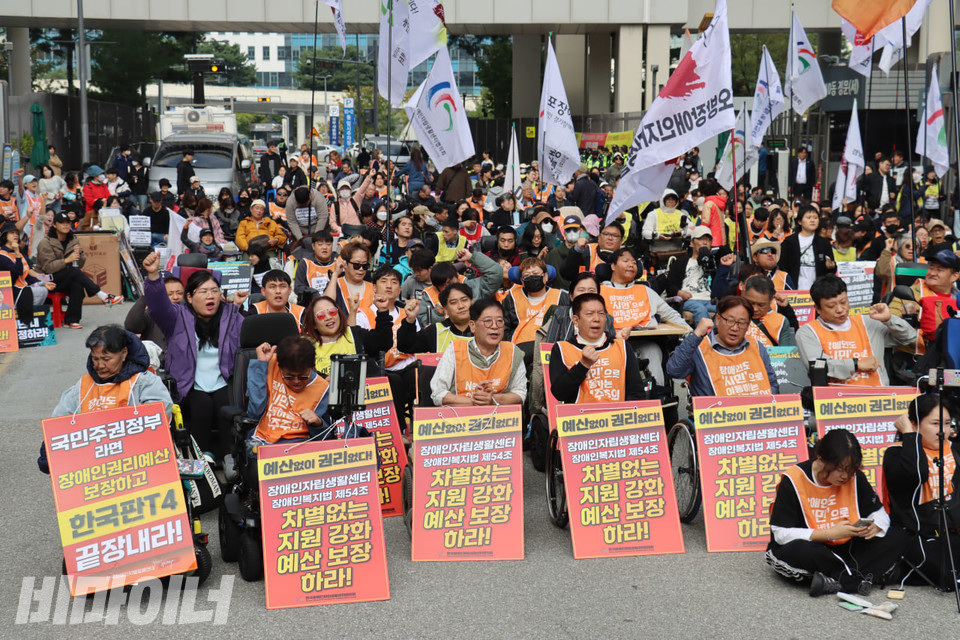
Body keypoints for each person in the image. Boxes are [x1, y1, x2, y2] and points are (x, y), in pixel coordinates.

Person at [765, 429, 904, 597]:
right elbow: (780, 533)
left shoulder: (855, 477)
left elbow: (878, 512)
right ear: (821, 458)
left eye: (850, 469)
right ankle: (861, 577)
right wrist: (828, 534)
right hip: (815, 547)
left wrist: (875, 526)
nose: (845, 476)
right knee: (798, 551)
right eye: (839, 469)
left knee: (898, 535)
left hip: (847, 546)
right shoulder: (794, 479)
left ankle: (836, 580)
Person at [141, 251, 247, 460]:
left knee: (226, 404)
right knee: (202, 405)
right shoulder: (177, 317)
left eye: (214, 291)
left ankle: (231, 457)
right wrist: (153, 277)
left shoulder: (232, 316)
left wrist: (239, 308)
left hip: (223, 380)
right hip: (189, 383)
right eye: (203, 291)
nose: (210, 296)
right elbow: (158, 307)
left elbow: (247, 341)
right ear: (189, 297)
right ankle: (203, 456)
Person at [37, 325, 173, 473]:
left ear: (124, 354)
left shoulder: (143, 382)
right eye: (95, 359)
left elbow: (159, 415)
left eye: (106, 359)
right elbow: (59, 422)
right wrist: (49, 451)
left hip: (138, 463)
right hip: (94, 468)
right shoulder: (84, 385)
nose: (100, 365)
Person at [884, 394, 960, 587]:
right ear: (915, 424)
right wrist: (910, 436)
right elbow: (916, 473)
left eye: (947, 424)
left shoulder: (955, 450)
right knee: (946, 571)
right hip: (919, 535)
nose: (942, 431)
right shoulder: (896, 453)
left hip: (953, 528)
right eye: (935, 424)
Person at [796, 275, 916, 386]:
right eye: (831, 306)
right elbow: (817, 366)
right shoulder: (808, 332)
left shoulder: (867, 322)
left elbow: (909, 337)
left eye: (843, 302)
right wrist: (856, 364)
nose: (840, 309)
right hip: (834, 398)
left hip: (878, 395)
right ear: (817, 308)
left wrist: (889, 320)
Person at [665, 295, 779, 396]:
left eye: (742, 323)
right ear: (718, 319)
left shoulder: (756, 346)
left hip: (756, 411)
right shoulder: (699, 346)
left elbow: (772, 384)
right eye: (730, 321)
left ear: (748, 324)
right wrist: (696, 335)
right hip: (714, 412)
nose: (735, 328)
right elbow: (674, 370)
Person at [549, 293, 646, 403]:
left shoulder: (622, 347)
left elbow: (636, 392)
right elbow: (559, 393)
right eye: (589, 314)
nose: (597, 319)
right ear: (576, 320)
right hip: (580, 414)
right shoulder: (562, 349)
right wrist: (583, 365)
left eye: (601, 314)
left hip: (617, 413)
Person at [430, 298, 528, 406]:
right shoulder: (455, 349)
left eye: (499, 321)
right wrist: (475, 402)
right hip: (460, 415)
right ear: (472, 326)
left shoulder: (512, 352)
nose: (494, 326)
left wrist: (493, 399)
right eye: (488, 321)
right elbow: (438, 394)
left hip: (499, 416)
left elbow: (520, 394)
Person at [36, 212, 123, 328]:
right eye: (62, 223)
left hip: (66, 277)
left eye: (68, 223)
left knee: (77, 284)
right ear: (55, 225)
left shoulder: (73, 240)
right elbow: (48, 267)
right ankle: (102, 295)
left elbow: (80, 265)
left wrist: (79, 256)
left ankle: (71, 320)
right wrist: (67, 260)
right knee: (73, 272)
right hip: (47, 279)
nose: (66, 225)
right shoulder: (45, 243)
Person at [246, 336, 331, 444]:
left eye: (303, 376)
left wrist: (318, 423)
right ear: (280, 366)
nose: (296, 381)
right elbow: (254, 413)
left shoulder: (322, 388)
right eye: (289, 376)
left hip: (299, 445)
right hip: (262, 440)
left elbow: (326, 438)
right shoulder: (270, 364)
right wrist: (260, 365)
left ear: (313, 364)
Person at [300, 294, 393, 377]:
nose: (328, 317)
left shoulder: (355, 334)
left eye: (332, 312)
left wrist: (383, 311)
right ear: (314, 324)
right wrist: (325, 379)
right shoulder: (305, 345)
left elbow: (383, 343)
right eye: (321, 315)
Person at [502, 257, 569, 356]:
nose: (532, 277)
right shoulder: (512, 297)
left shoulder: (561, 296)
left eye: (536, 274)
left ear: (546, 277)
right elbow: (504, 326)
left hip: (551, 347)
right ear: (522, 280)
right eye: (527, 275)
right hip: (520, 348)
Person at [664, 226, 719, 326]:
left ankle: (716, 335)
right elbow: (669, 285)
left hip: (709, 300)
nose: (705, 242)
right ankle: (704, 335)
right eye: (701, 239)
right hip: (690, 300)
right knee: (700, 309)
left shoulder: (714, 263)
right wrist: (679, 292)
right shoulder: (681, 262)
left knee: (723, 310)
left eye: (708, 240)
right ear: (692, 243)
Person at [0, 227, 55, 324]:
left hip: (23, 286)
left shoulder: (18, 253)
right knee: (39, 291)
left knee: (43, 289)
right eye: (12, 233)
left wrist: (42, 282)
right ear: (5, 236)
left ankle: (32, 318)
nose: (15, 235)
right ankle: (24, 320)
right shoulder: (2, 255)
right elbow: (19, 271)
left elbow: (27, 275)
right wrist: (17, 253)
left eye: (16, 233)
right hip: (10, 290)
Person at [780, 205, 836, 291]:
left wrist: (831, 267)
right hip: (794, 290)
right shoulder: (790, 242)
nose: (812, 220)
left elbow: (830, 271)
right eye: (808, 218)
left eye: (815, 218)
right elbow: (783, 267)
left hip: (818, 291)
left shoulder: (824, 243)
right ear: (800, 221)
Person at [123, 274, 185, 352]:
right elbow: (131, 326)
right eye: (169, 294)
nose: (175, 297)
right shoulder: (152, 314)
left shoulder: (190, 315)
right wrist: (145, 296)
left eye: (179, 293)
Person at [742, 276, 796, 347]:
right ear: (744, 296)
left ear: (771, 300)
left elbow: (785, 351)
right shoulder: (735, 316)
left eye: (761, 305)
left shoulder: (780, 321)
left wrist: (786, 308)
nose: (755, 309)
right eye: (751, 303)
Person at [294, 229, 338, 305]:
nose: (324, 247)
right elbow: (298, 287)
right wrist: (313, 292)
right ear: (313, 246)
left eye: (328, 244)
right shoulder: (305, 263)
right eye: (320, 244)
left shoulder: (339, 261)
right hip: (311, 304)